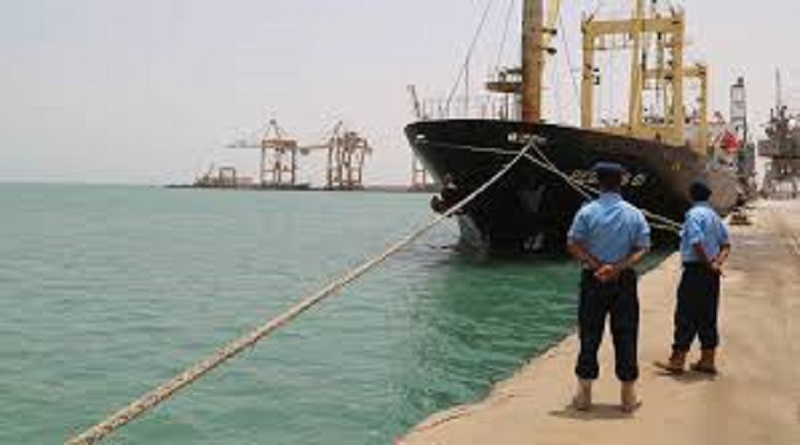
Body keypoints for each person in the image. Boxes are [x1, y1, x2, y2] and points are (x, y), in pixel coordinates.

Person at [566, 162, 651, 413]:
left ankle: (584, 394)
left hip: (593, 279)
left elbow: (573, 243)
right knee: (626, 334)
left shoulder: (586, 212)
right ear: (621, 182)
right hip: (623, 280)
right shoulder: (634, 214)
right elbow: (643, 247)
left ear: (598, 182)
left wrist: (597, 265)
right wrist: (617, 267)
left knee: (589, 334)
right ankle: (628, 395)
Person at [656, 179, 731, 375]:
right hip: (711, 274)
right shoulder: (714, 216)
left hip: (695, 271)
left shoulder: (693, 214)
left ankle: (677, 360)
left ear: (691, 195)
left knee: (685, 314)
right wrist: (716, 263)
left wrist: (707, 263)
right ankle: (708, 360)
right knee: (708, 315)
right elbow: (726, 245)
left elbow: (697, 243)